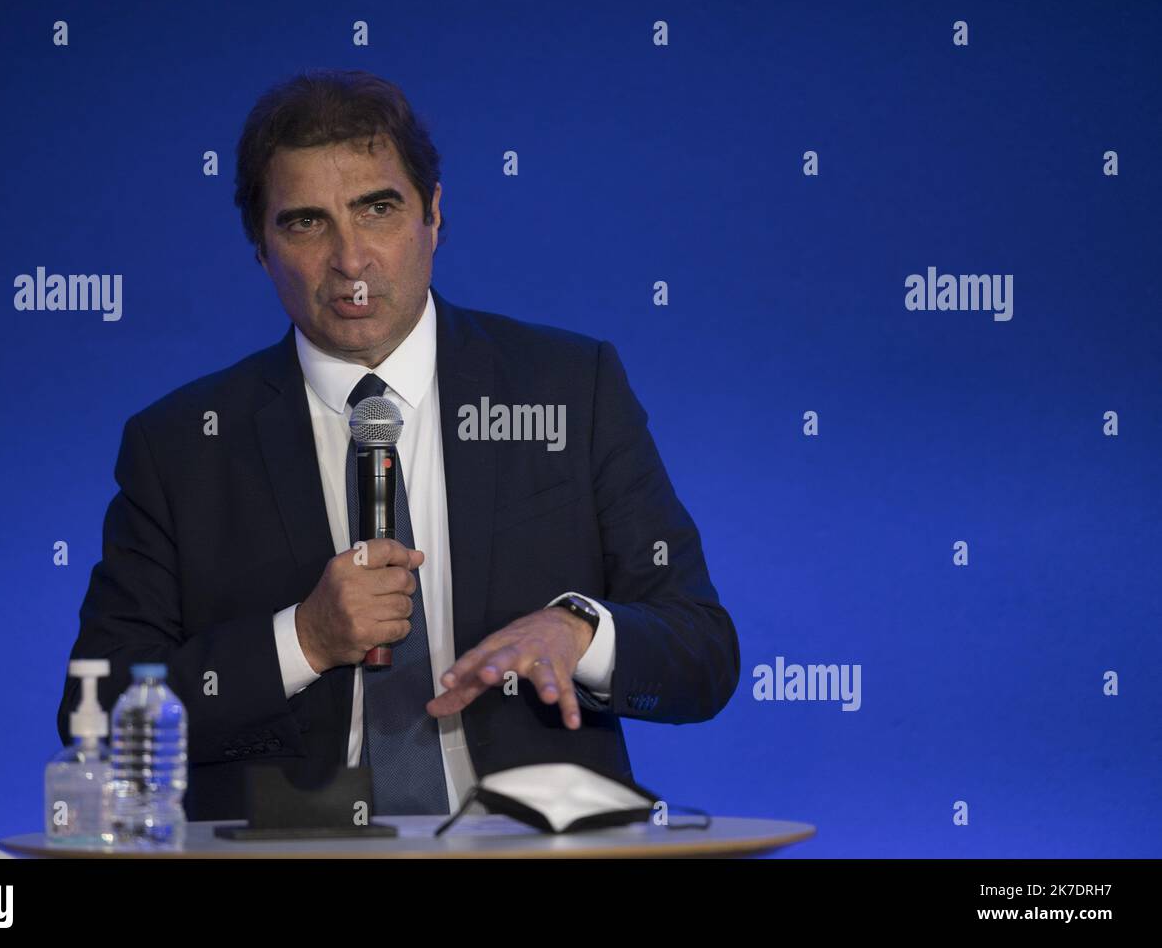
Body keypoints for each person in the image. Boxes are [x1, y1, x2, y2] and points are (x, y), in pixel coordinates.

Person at [57, 68, 740, 820]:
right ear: (259, 247)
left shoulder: (573, 389)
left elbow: (703, 654)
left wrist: (580, 629)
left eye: (377, 209)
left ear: (434, 215)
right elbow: (102, 716)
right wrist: (302, 640)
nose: (351, 261)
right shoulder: (179, 445)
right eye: (306, 223)